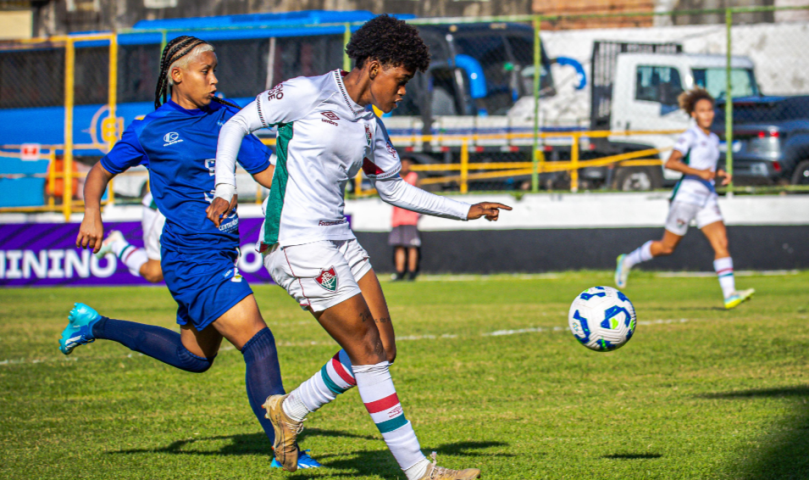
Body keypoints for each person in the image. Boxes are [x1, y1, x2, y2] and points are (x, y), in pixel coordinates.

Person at [208, 15, 510, 479]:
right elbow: (235, 126)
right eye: (401, 80)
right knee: (366, 349)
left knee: (383, 347)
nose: (403, 91)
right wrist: (225, 188)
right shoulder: (307, 92)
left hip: (339, 238)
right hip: (296, 241)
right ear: (374, 66)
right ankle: (420, 471)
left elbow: (396, 190)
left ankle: (289, 410)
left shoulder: (370, 122)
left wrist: (465, 209)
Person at [60, 36, 320, 469]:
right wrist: (92, 216)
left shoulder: (227, 116)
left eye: (216, 70)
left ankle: (95, 325)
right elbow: (100, 172)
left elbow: (266, 173)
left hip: (220, 254)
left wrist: (313, 190)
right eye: (206, 71)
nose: (215, 80)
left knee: (193, 357)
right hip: (189, 256)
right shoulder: (150, 128)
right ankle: (284, 449)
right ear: (176, 75)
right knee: (259, 342)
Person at [614, 87, 754, 309]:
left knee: (722, 243)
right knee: (667, 247)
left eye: (710, 110)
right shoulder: (690, 136)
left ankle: (729, 294)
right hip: (687, 197)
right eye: (702, 111)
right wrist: (700, 173)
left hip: (707, 197)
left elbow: (707, 167)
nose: (707, 115)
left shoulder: (714, 139)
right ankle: (628, 260)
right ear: (694, 114)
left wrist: (719, 174)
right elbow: (671, 162)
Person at [96, 191, 165, 283]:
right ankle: (116, 244)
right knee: (154, 274)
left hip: (183, 212)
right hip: (159, 209)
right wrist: (91, 210)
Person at [389, 158, 421, 281]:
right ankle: (400, 272)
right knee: (399, 246)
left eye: (407, 163)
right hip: (397, 218)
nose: (405, 166)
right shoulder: (395, 178)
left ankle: (412, 272)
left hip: (410, 218)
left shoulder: (414, 177)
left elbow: (420, 194)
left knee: (412, 246)